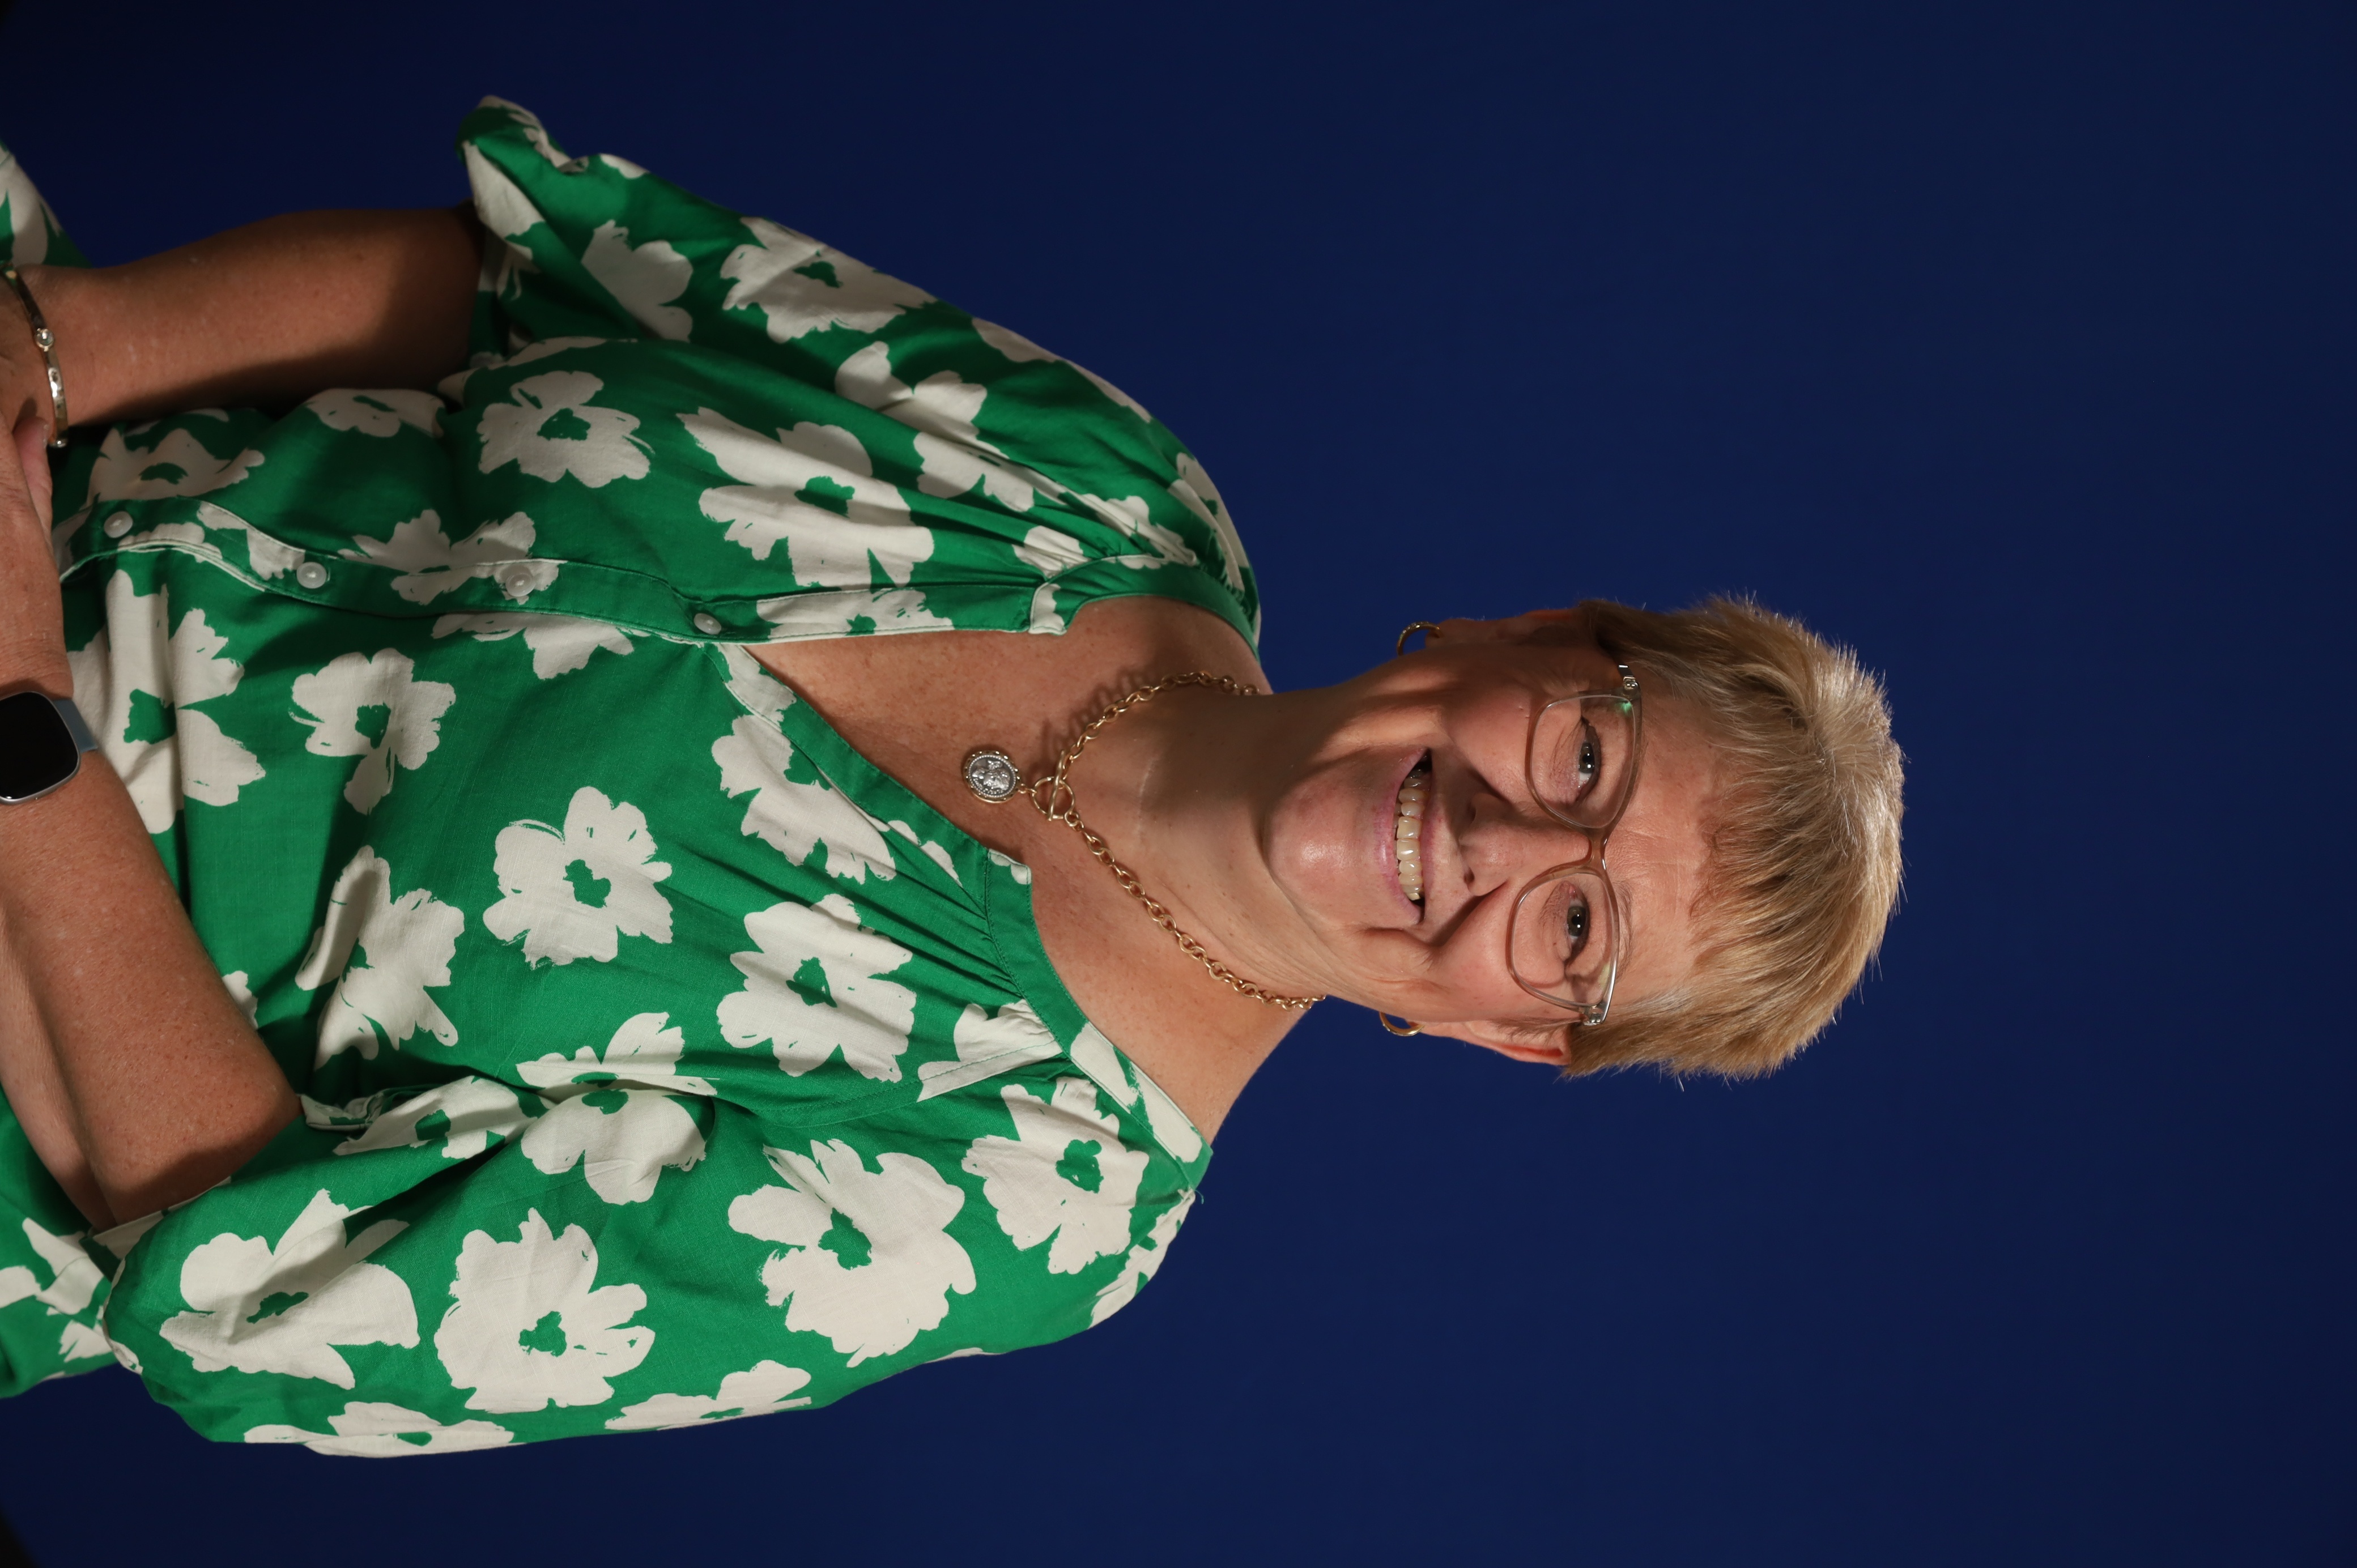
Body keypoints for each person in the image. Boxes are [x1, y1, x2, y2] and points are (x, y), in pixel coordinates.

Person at [0, 100, 1903, 1455]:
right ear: (1522, 634)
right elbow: (532, 295)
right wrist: (50, 355)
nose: (1498, 842)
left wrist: (17, 710)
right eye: (1582, 755)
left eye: (1574, 927)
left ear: (1517, 1036)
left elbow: (262, 1271)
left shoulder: (1034, 1199)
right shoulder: (1111, 490)